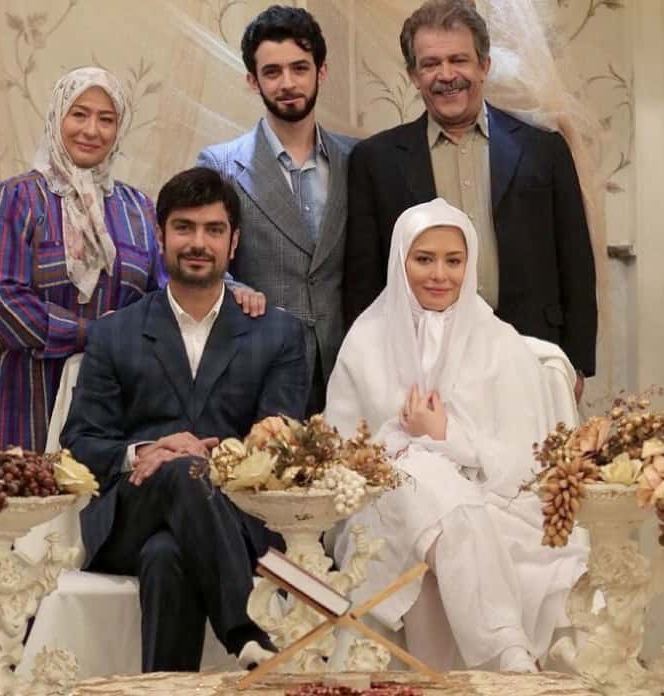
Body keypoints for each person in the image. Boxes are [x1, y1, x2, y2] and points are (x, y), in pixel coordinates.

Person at [60, 166, 308, 672]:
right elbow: (81, 442)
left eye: (213, 230)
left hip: (237, 520)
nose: (198, 242)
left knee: (166, 555)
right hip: (131, 515)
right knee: (178, 471)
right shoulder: (116, 333)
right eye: (184, 227)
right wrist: (144, 452)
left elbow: (280, 443)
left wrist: (215, 457)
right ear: (160, 236)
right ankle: (246, 632)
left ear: (234, 243)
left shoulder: (279, 335)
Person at [326, 199, 586, 672]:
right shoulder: (365, 341)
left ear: (471, 264)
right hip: (381, 508)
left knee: (438, 504)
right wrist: (407, 444)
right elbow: (342, 457)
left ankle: (463, 666)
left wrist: (445, 436)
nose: (439, 275)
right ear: (400, 261)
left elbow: (525, 462)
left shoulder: (500, 342)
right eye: (424, 259)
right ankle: (505, 647)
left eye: (454, 260)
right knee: (419, 478)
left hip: (490, 502)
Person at [343, 0, 597, 400]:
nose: (446, 75)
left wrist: (576, 362)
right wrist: (371, 371)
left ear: (484, 65)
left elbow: (576, 261)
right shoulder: (375, 161)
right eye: (430, 64)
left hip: (532, 352)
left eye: (459, 60)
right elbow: (364, 280)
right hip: (422, 368)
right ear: (413, 75)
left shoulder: (544, 149)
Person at [0, 67, 164, 452]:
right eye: (79, 114)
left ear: (119, 129)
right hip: (31, 394)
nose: (91, 130)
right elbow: (2, 298)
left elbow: (165, 293)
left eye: (106, 119)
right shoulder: (19, 197)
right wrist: (92, 334)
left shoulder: (139, 208)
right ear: (57, 116)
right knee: (34, 488)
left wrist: (233, 291)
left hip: (115, 396)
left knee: (104, 487)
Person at [197, 5, 356, 415]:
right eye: (272, 72)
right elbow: (199, 262)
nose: (287, 83)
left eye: (299, 68)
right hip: (257, 366)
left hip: (348, 365)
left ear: (321, 71)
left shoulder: (357, 160)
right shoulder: (220, 165)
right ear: (253, 80)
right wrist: (235, 290)